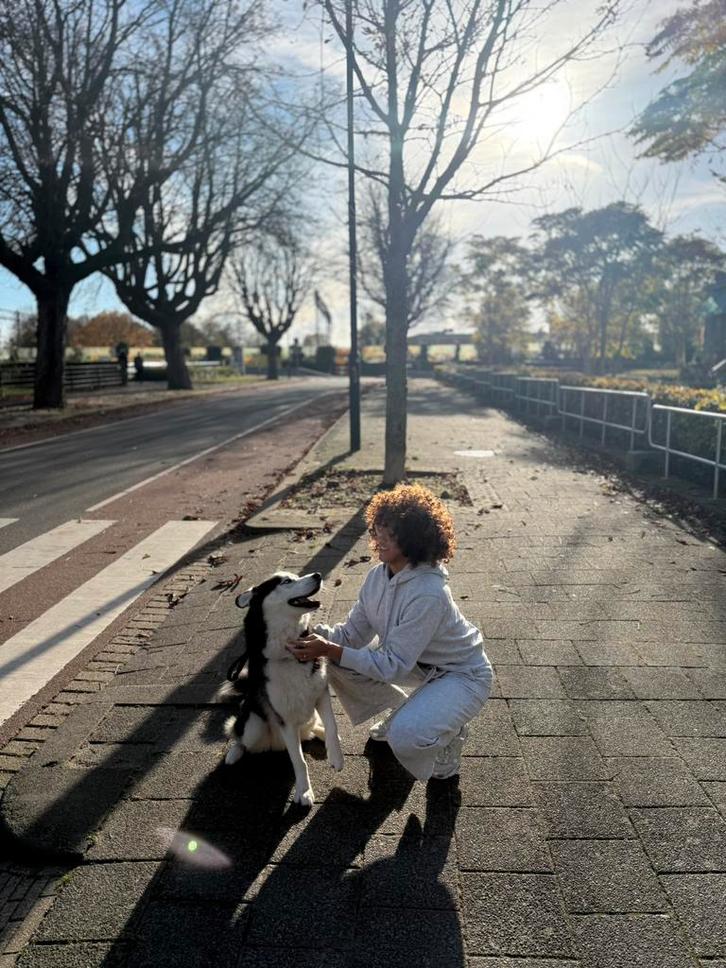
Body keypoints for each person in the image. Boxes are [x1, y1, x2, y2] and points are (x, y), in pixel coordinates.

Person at [287, 483, 493, 781]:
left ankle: (449, 733)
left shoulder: (428, 592)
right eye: (377, 530)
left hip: (462, 675)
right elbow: (349, 636)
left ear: (413, 538)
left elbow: (392, 666)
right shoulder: (377, 577)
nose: (379, 538)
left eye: (390, 533)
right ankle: (407, 711)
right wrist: (305, 633)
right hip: (419, 666)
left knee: (405, 737)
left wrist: (328, 648)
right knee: (334, 659)